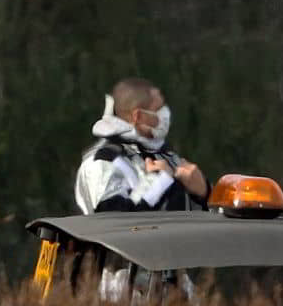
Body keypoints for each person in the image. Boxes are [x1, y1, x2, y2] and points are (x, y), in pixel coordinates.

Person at [74, 78, 209, 215]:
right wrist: (158, 180)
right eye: (158, 109)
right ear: (138, 116)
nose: (165, 114)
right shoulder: (102, 162)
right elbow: (113, 223)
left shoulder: (165, 154)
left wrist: (204, 193)